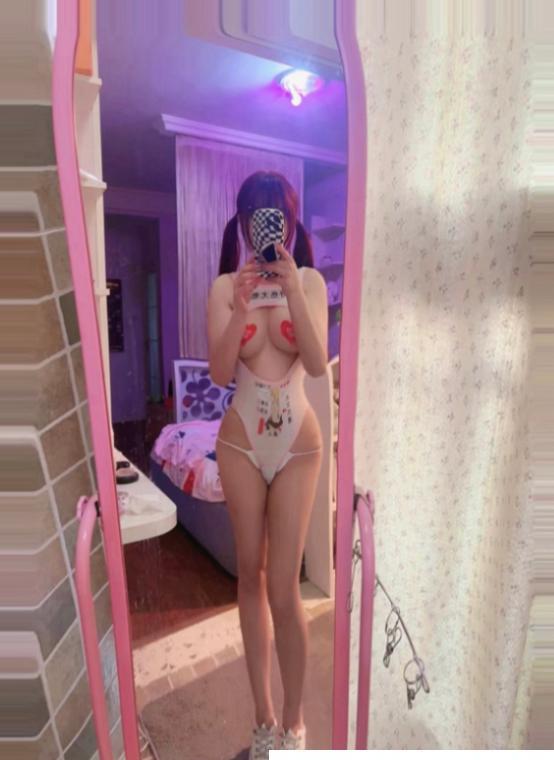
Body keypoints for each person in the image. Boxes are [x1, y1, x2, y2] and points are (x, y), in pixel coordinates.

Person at [207, 171, 328, 757]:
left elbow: (318, 362)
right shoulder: (224, 286)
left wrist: (293, 289)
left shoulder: (310, 280)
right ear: (243, 224)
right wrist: (239, 306)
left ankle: (295, 724)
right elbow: (218, 372)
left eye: (275, 214)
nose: (265, 226)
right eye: (254, 215)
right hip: (241, 443)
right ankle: (263, 719)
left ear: (290, 222)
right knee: (249, 576)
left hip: (299, 445)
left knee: (284, 586)